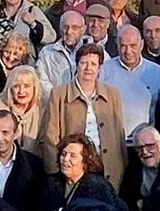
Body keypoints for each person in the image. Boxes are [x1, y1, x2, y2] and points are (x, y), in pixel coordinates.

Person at [41, 43, 128, 188]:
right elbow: (51, 136)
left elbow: (119, 133)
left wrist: (124, 165)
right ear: (77, 65)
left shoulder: (113, 94)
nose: (88, 68)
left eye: (93, 64)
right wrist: (54, 173)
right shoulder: (59, 94)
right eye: (84, 63)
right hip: (73, 168)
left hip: (107, 167)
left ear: (99, 68)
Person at [101, 25, 160, 143]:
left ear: (141, 44)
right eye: (123, 46)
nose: (128, 51)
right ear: (117, 46)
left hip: (144, 145)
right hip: (111, 143)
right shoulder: (103, 70)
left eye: (133, 46)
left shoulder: (155, 71)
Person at [0, 65, 46, 150]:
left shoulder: (44, 108)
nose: (21, 91)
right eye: (16, 86)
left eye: (26, 86)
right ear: (10, 89)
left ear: (34, 88)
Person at [35, 10, 85, 95]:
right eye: (65, 27)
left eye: (75, 28)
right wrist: (57, 99)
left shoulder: (94, 52)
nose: (69, 32)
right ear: (60, 28)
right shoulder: (47, 52)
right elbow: (42, 81)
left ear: (83, 30)